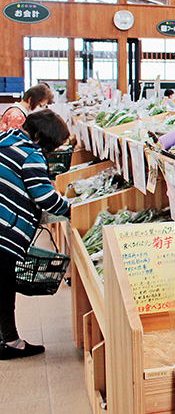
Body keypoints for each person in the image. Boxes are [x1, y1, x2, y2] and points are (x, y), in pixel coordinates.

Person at [0, 109, 71, 360]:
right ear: (40, 136)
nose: (50, 152)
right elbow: (45, 198)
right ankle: (10, 342)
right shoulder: (31, 154)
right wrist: (72, 208)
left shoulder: (7, 139)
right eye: (52, 145)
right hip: (5, 232)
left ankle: (8, 339)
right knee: (4, 287)